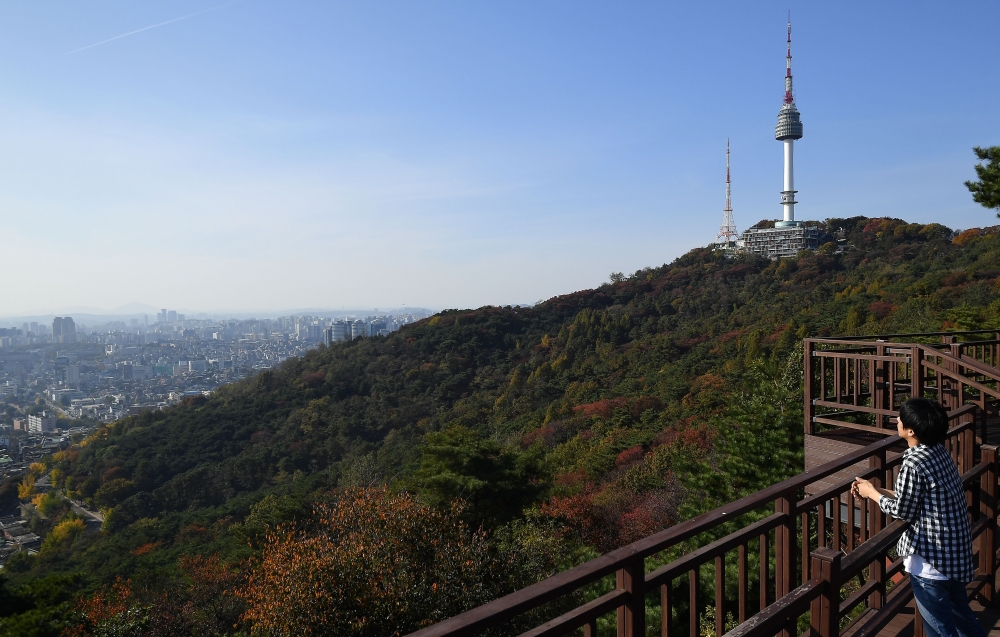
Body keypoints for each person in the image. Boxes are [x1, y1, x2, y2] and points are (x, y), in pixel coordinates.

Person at [852, 398, 986, 637]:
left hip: (931, 562)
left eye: (901, 418)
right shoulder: (937, 452)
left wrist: (871, 494)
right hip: (953, 553)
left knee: (939, 630)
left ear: (911, 430)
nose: (897, 421)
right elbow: (914, 497)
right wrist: (876, 489)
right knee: (964, 621)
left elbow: (903, 510)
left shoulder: (913, 462)